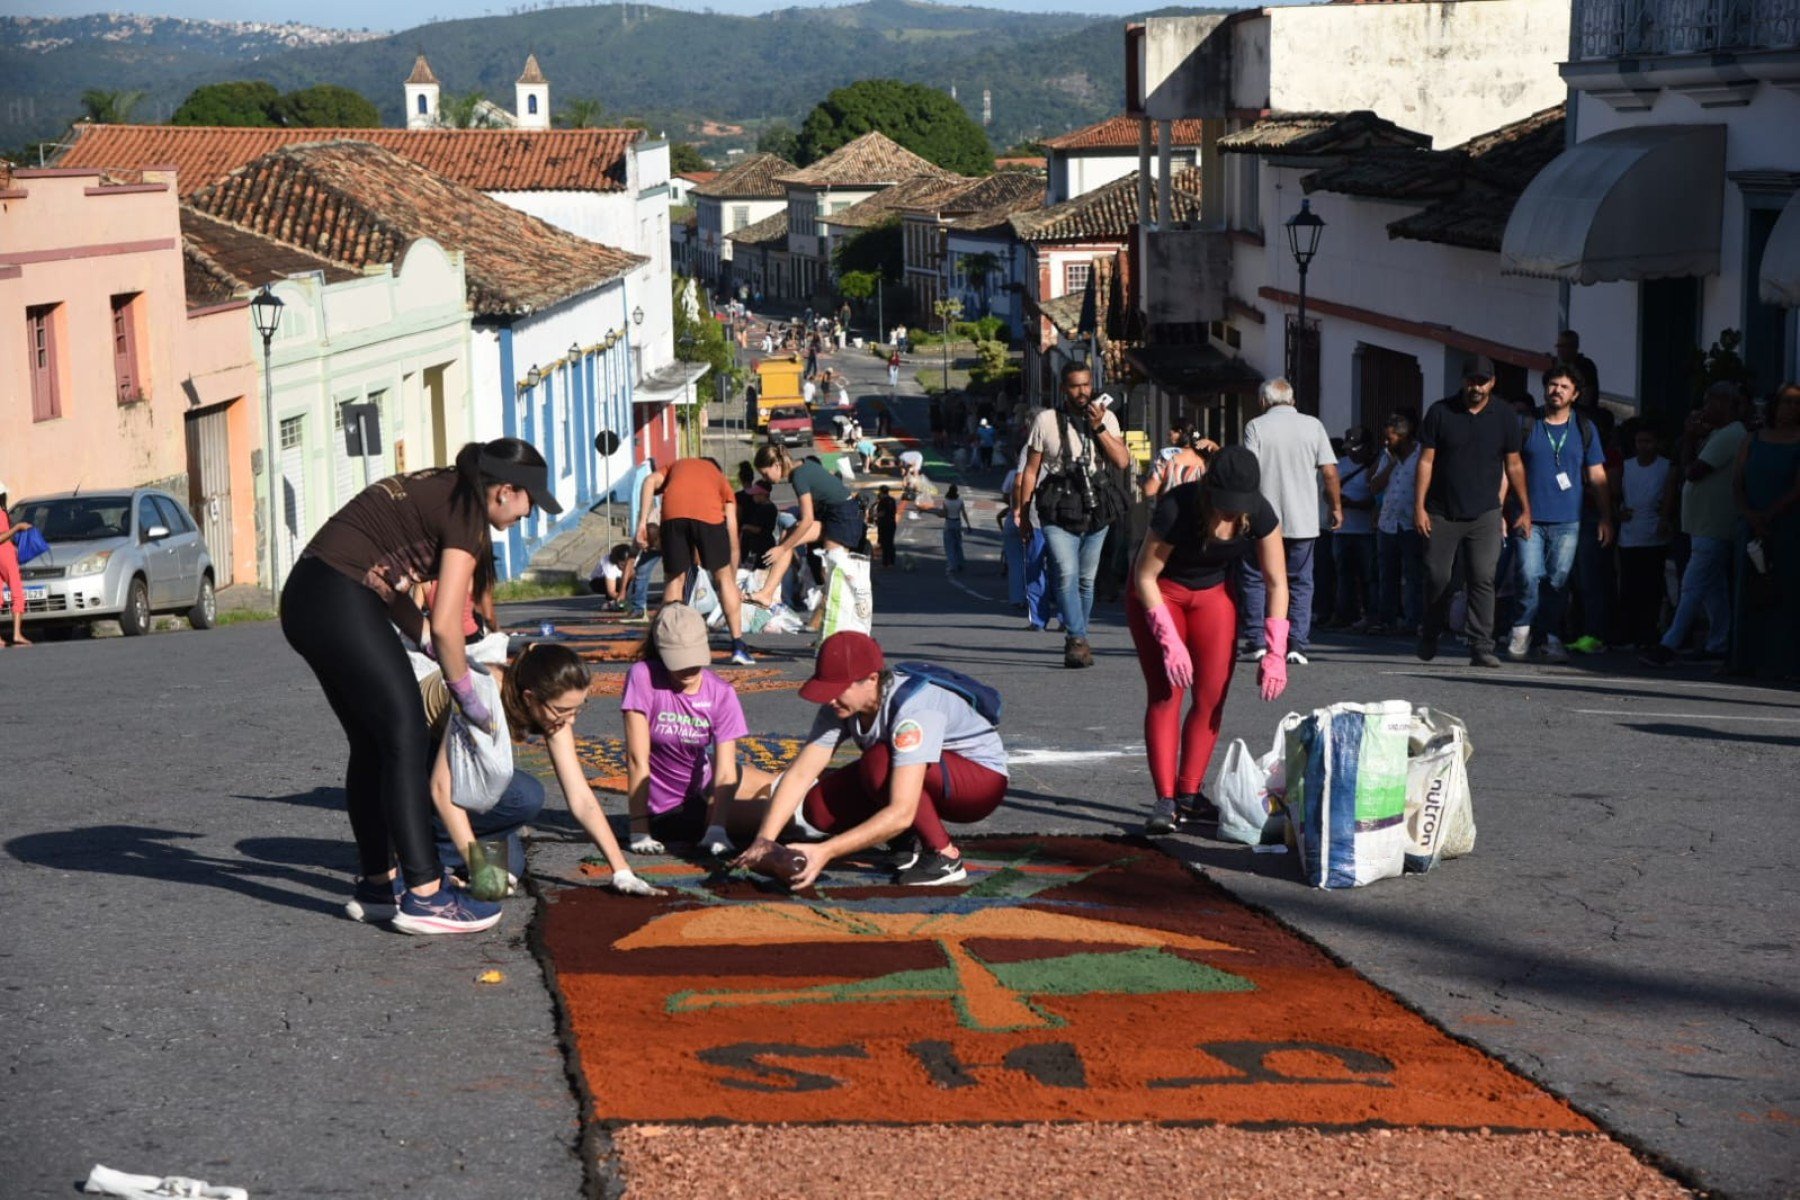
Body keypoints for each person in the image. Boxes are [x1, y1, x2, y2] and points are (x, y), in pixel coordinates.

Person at [281, 438, 546, 935]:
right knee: (402, 733)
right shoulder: (467, 516)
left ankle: (380, 886)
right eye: (529, 505)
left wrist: (421, 637)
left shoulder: (445, 487)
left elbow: (395, 578)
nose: (526, 517)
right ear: (505, 491)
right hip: (340, 597)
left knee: (373, 741)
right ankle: (426, 895)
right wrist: (464, 688)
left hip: (309, 595)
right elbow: (448, 623)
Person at [735, 632, 1008, 887]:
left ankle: (944, 856)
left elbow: (901, 811)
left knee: (878, 762)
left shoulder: (913, 710)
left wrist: (825, 851)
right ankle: (909, 842)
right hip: (934, 773)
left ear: (872, 679)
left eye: (838, 688)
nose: (830, 699)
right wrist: (764, 840)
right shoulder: (841, 705)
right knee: (819, 808)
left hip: (980, 783)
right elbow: (800, 774)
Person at [1128, 446, 1290, 836]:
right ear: (1209, 491)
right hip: (1160, 594)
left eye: (1240, 504)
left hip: (1212, 596)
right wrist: (1168, 639)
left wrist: (1276, 651)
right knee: (1168, 693)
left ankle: (1189, 794)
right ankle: (1165, 799)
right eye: (1225, 504)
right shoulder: (1178, 507)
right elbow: (1144, 575)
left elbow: (1277, 582)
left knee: (1212, 696)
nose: (1232, 512)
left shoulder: (1260, 514)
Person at [485, 642, 663, 896]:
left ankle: (454, 853)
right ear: (529, 697)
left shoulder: (549, 708)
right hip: (430, 786)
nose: (572, 720)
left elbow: (580, 796)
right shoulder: (483, 693)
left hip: (475, 794)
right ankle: (434, 854)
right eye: (563, 710)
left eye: (578, 708)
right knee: (524, 795)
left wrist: (621, 869)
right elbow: (454, 788)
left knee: (507, 871)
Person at [622, 604, 780, 859]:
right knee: (787, 816)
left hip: (707, 778)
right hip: (672, 808)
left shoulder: (721, 692)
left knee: (790, 789)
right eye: (679, 661)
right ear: (661, 653)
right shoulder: (643, 677)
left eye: (694, 659)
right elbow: (636, 758)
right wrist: (639, 828)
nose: (689, 669)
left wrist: (718, 828)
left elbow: (727, 769)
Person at [1014, 362, 1132, 668]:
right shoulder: (1046, 421)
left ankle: (1079, 633)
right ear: (1064, 388)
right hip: (1057, 505)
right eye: (1075, 386)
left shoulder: (1107, 418)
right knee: (1065, 572)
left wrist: (1100, 427)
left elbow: (1121, 461)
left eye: (1086, 385)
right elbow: (1031, 470)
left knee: (1085, 580)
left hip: (1097, 507)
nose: (1082, 392)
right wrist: (1024, 514)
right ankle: (1076, 639)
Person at [1415, 370, 1531, 668]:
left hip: (1485, 512)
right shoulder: (1441, 411)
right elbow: (1426, 460)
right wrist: (1419, 506)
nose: (1476, 387)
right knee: (1438, 576)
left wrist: (1525, 507)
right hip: (1442, 510)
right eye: (1471, 380)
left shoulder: (1504, 415)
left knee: (1482, 577)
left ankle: (1481, 645)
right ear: (1462, 380)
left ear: (1493, 382)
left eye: (1483, 381)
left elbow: (1514, 464)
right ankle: (1430, 630)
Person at [1505, 367, 1614, 662]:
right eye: (1552, 384)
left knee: (1557, 580)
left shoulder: (1584, 429)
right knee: (1528, 574)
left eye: (1564, 386)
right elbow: (1509, 467)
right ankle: (1522, 627)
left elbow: (1597, 475)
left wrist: (1606, 517)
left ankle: (1550, 636)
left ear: (1575, 394)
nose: (1557, 390)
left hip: (1569, 520)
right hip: (1529, 515)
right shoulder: (1527, 424)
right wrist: (1500, 509)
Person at [1642, 383, 1750, 666]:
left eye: (1710, 402)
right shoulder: (1718, 433)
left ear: (1725, 404)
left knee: (1691, 585)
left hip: (1714, 524)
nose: (1704, 408)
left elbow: (1693, 471)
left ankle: (1670, 643)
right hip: (1702, 524)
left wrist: (1689, 439)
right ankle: (1719, 641)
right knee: (1713, 590)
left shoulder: (1731, 434)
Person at [1239, 378, 1341, 665]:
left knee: (1257, 577)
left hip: (1263, 518)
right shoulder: (1314, 426)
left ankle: (1258, 641)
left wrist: (1244, 513)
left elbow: (1248, 472)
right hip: (1304, 518)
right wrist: (1335, 507)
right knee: (1300, 580)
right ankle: (1297, 643)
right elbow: (1330, 472)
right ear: (1292, 400)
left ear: (1263, 401)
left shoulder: (1256, 427)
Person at [635, 457, 754, 666]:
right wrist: (731, 580)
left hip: (673, 514)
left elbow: (648, 482)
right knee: (724, 579)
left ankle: (664, 645)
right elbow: (733, 536)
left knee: (675, 581)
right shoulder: (721, 480)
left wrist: (642, 524)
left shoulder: (676, 465)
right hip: (709, 517)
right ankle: (738, 646)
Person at [1727, 383, 1800, 679]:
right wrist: (1750, 514)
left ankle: (1785, 661)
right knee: (1748, 589)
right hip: (1751, 524)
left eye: (1797, 404)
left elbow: (1797, 488)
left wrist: (1769, 515)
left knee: (1786, 591)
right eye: (1786, 402)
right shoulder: (1752, 439)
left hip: (1788, 526)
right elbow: (1737, 482)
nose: (1791, 409)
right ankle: (1744, 658)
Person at [745, 444, 867, 615]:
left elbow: (807, 519)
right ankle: (766, 594)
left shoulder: (798, 476)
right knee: (788, 535)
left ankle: (846, 615)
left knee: (830, 570)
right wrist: (785, 546)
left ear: (777, 465)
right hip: (833, 514)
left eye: (765, 473)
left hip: (844, 516)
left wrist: (782, 548)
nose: (766, 479)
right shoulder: (803, 465)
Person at [1614, 424, 1674, 650]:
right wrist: (1617, 512)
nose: (1644, 446)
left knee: (1652, 587)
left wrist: (1665, 519)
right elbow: (1615, 492)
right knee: (1629, 586)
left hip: (1654, 535)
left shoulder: (1666, 467)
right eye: (1640, 441)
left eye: (1649, 441)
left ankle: (1649, 632)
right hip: (1629, 535)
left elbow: (1668, 497)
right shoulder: (1626, 466)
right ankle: (1629, 632)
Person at [1369, 409, 1424, 635]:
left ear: (1403, 437)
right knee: (1386, 574)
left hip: (1411, 524)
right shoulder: (1387, 457)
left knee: (1413, 575)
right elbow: (1374, 486)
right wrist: (1391, 463)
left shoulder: (1422, 455)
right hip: (1388, 523)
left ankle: (1413, 620)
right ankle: (1386, 619)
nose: (1385, 442)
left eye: (1390, 438)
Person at [1329, 426, 1379, 630]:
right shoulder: (1340, 465)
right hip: (1342, 530)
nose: (1351, 452)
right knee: (1343, 575)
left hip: (1366, 530)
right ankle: (1344, 615)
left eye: (1356, 448)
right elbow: (1327, 491)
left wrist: (1353, 503)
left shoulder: (1374, 466)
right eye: (1349, 448)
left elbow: (1377, 498)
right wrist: (1336, 502)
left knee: (1369, 576)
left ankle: (1372, 615)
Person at [1142, 426, 1215, 499]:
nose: (1168, 433)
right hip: (1198, 508)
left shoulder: (1166, 455)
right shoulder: (1205, 460)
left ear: (1180, 432)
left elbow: (1149, 490)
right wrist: (1212, 444)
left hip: (1171, 507)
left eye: (1171, 430)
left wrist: (1143, 483)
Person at [0, 482, 32, 648]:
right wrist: (17, 528)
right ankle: (17, 633)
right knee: (17, 593)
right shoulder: (1, 513)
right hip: (4, 555)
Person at [1549, 330, 1601, 408]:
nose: (1559, 350)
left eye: (1563, 346)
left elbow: (1587, 396)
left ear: (1574, 347)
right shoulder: (1559, 365)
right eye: (1558, 346)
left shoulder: (1585, 367)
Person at [589, 543, 632, 608]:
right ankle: (612, 601)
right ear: (616, 561)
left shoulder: (633, 561)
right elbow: (611, 591)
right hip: (598, 581)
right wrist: (623, 601)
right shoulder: (609, 565)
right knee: (619, 581)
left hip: (619, 580)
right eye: (622, 565)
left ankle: (622, 600)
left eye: (627, 564)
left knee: (631, 579)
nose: (625, 568)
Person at [939, 484, 968, 573]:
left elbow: (944, 514)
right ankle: (960, 563)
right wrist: (968, 524)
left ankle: (952, 565)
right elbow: (964, 513)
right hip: (957, 522)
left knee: (949, 545)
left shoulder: (946, 501)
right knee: (958, 544)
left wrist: (939, 514)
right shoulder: (960, 500)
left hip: (949, 522)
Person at [875, 487, 899, 568]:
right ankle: (892, 561)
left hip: (884, 524)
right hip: (892, 523)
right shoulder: (892, 500)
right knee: (890, 542)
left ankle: (885, 562)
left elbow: (882, 513)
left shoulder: (883, 501)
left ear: (881, 492)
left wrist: (874, 516)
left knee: (884, 543)